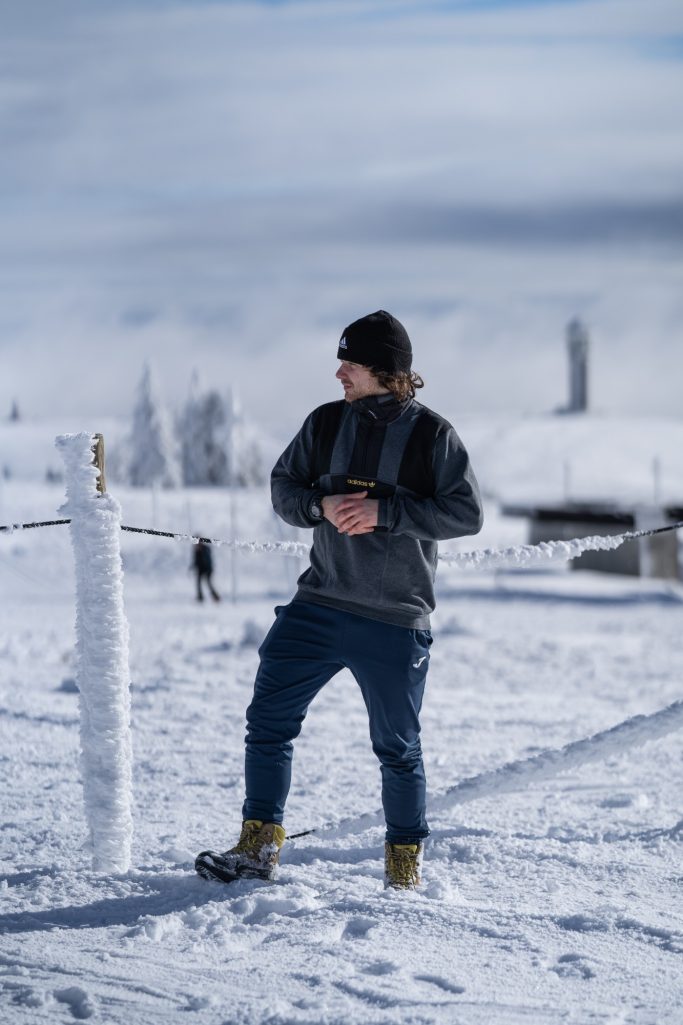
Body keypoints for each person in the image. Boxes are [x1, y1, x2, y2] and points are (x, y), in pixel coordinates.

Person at [196, 310, 483, 890]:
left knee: (397, 749)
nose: (339, 373)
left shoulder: (434, 437)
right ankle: (257, 850)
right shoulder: (326, 424)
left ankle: (403, 872)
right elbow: (284, 486)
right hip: (318, 606)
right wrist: (318, 507)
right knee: (268, 722)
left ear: (383, 370)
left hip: (396, 619)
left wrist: (387, 512)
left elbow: (466, 514)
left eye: (349, 363)